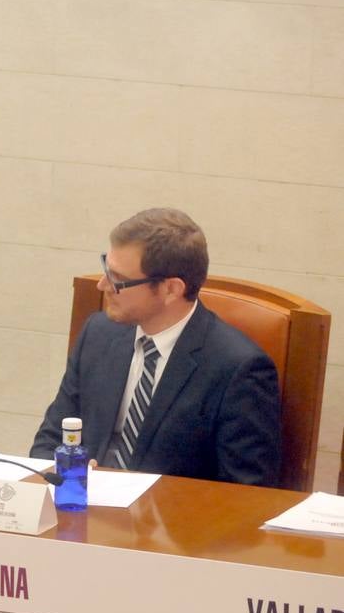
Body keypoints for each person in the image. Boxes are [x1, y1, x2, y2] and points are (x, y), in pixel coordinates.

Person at [31, 208, 281, 486]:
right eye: (106, 268)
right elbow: (51, 438)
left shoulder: (239, 368)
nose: (103, 285)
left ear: (171, 289)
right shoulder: (98, 334)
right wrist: (63, 473)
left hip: (171, 523)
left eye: (118, 279)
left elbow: (246, 491)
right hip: (80, 511)